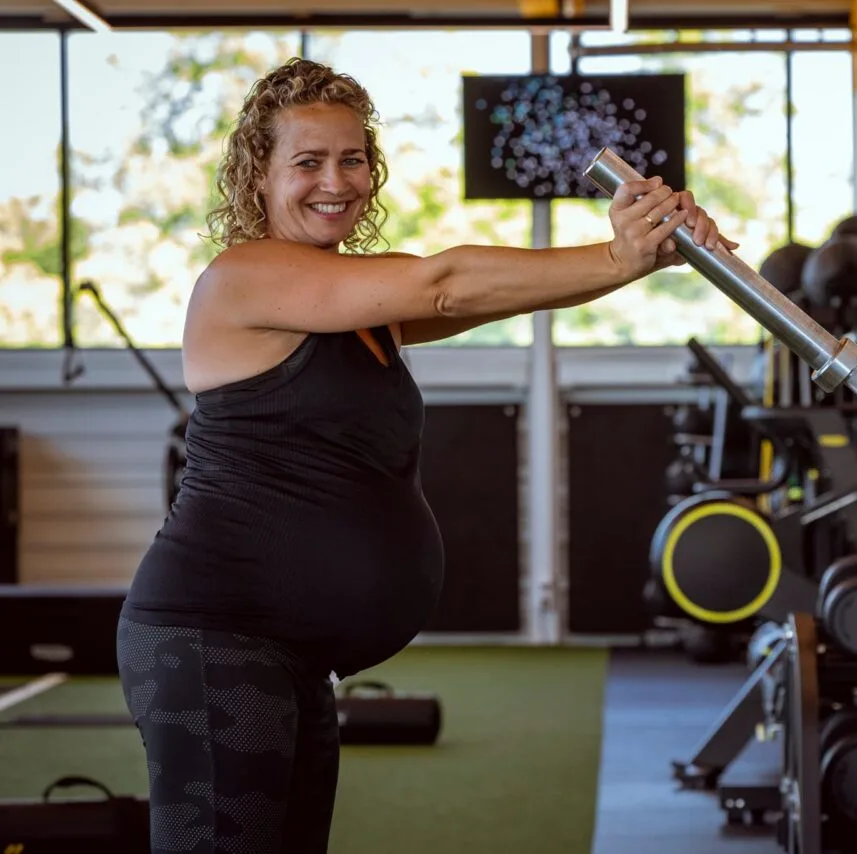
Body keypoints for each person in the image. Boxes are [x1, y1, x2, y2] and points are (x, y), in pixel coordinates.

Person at [115, 57, 734, 854]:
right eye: (307, 161)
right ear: (257, 177)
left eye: (353, 158)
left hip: (288, 654)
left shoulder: (354, 306)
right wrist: (617, 254)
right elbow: (444, 283)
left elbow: (491, 295)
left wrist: (646, 250)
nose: (336, 180)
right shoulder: (244, 278)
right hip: (213, 639)